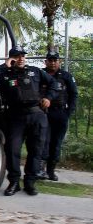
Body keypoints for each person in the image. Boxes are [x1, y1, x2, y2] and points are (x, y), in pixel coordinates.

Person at [0, 45, 59, 196]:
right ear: (11, 59)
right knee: (12, 150)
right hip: (15, 116)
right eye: (17, 56)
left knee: (36, 150)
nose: (21, 58)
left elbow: (54, 84)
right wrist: (5, 66)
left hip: (36, 114)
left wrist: (48, 98)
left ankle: (30, 183)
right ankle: (14, 182)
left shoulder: (35, 71)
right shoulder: (5, 74)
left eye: (23, 56)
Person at [38, 51, 78, 181]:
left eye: (55, 60)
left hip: (60, 114)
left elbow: (74, 95)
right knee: (44, 141)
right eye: (50, 60)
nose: (53, 63)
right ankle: (40, 170)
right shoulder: (40, 74)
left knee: (56, 143)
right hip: (44, 113)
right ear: (46, 62)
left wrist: (68, 113)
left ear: (59, 62)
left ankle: (51, 171)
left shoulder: (66, 76)